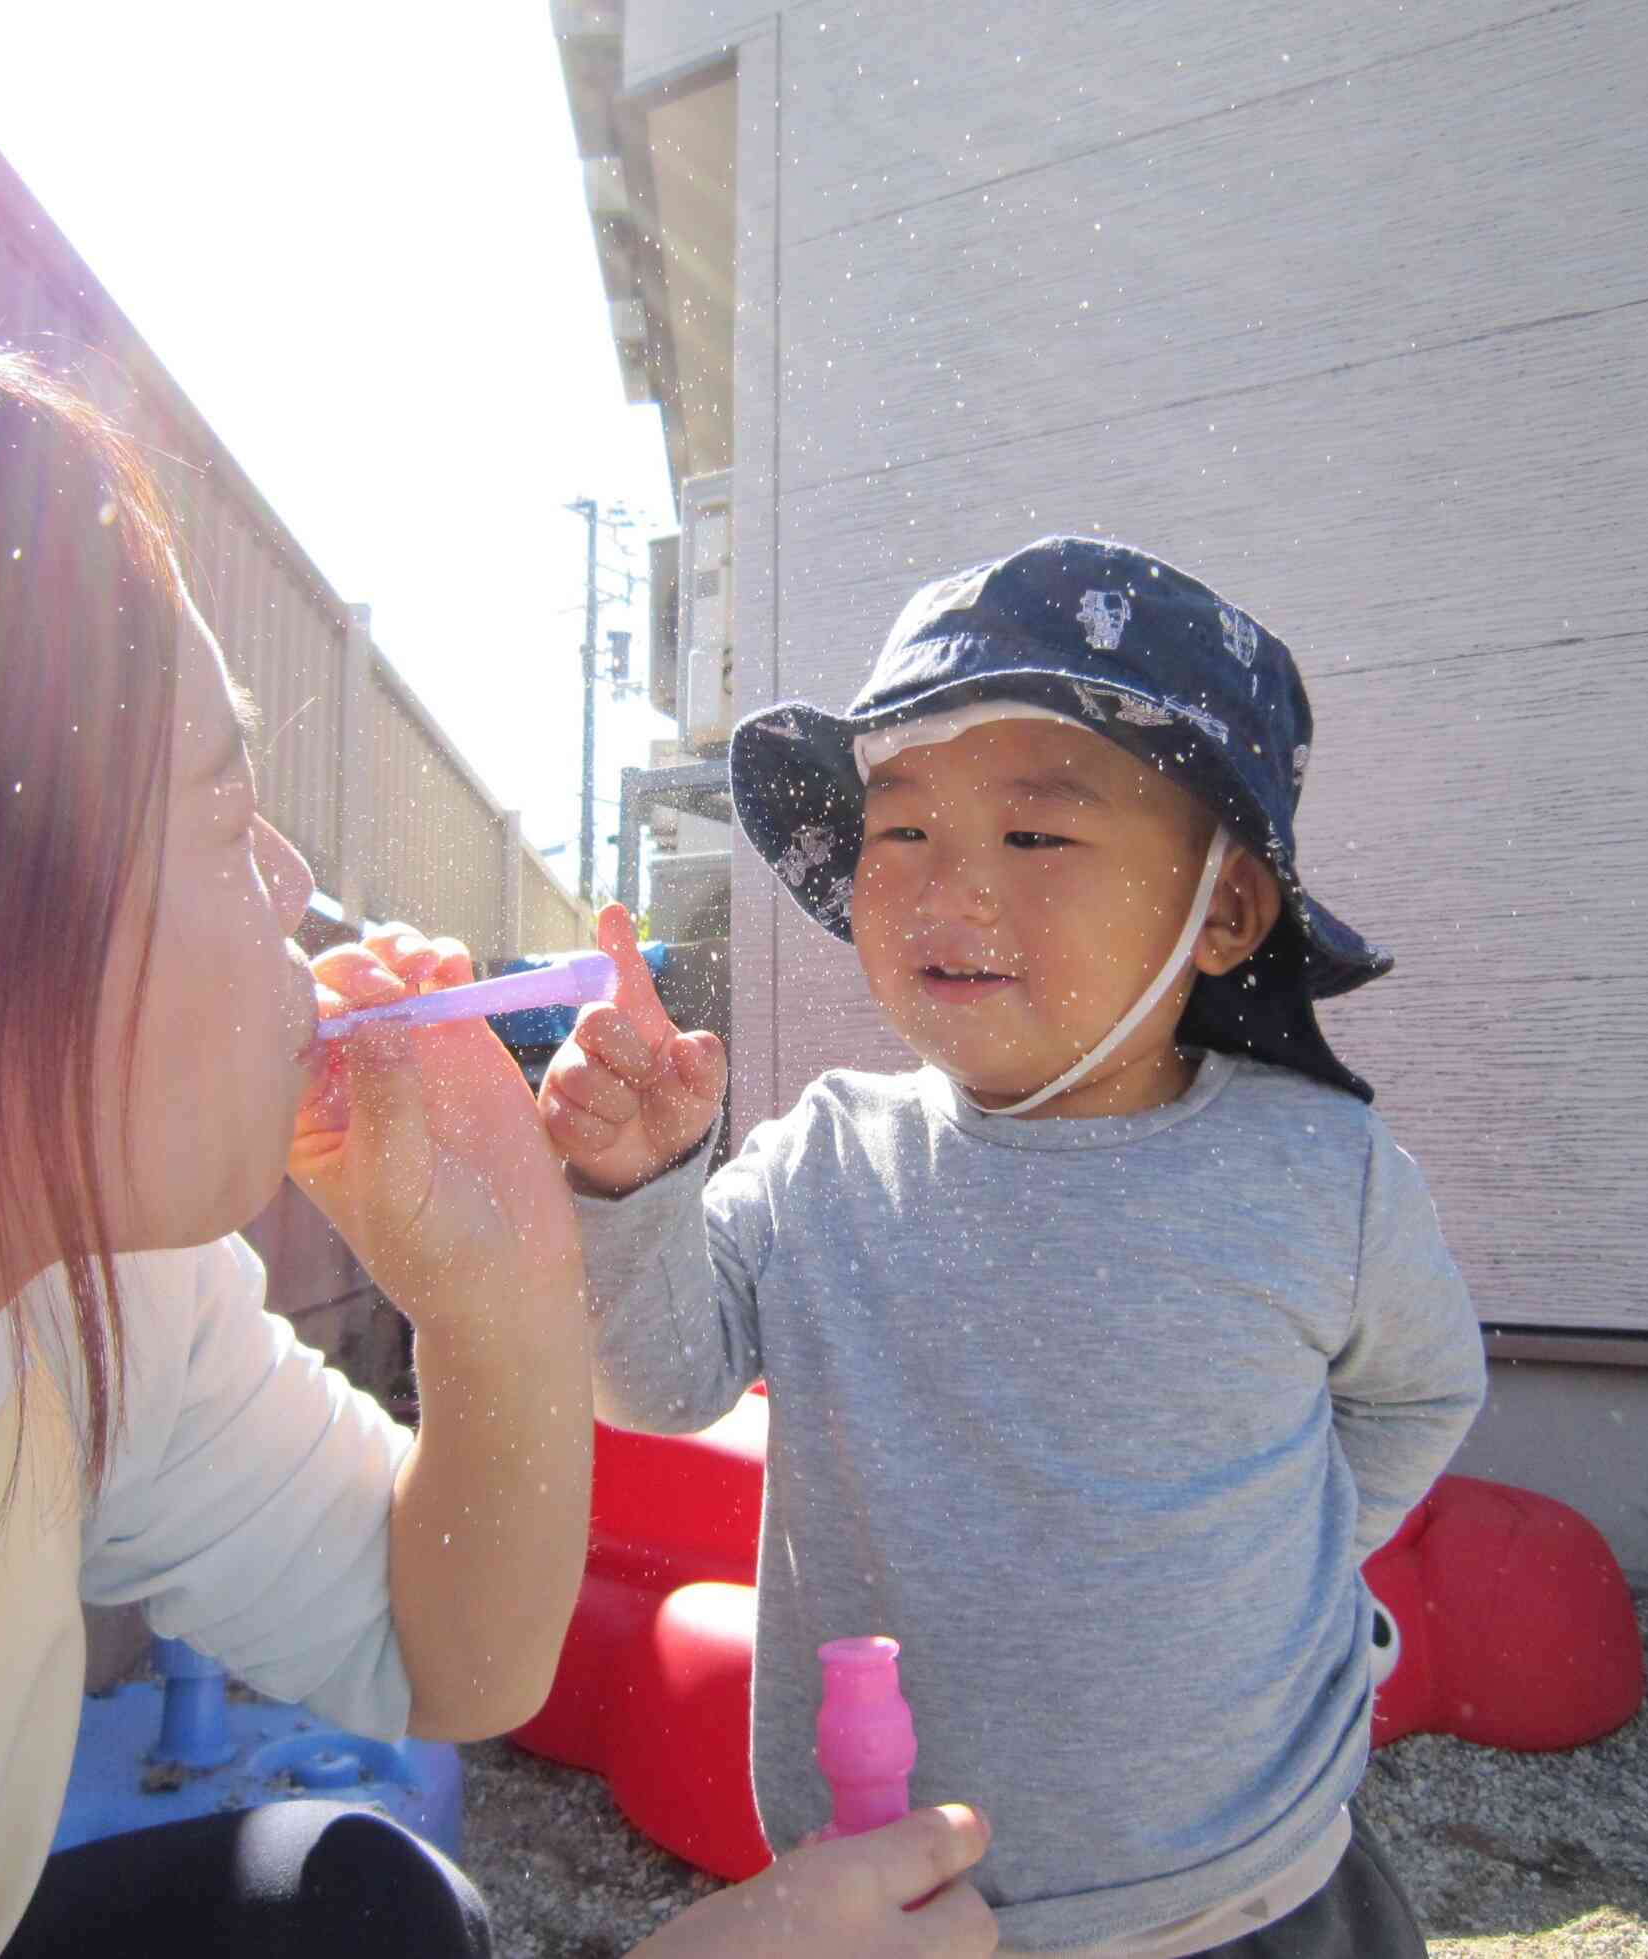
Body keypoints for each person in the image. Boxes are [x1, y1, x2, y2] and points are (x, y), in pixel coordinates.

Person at [0, 237, 996, 1959]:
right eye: (217, 820)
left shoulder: (58, 1291)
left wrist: (491, 1291)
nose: (296, 886)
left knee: (351, 1906)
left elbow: (447, 1656)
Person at [541, 537, 1490, 1957]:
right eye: (903, 830)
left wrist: (1284, 1564)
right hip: (896, 1904)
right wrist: (637, 1183)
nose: (946, 890)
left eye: (1035, 835)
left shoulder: (1313, 1176)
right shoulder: (825, 1164)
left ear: (1222, 911)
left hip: (1262, 1892)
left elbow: (1421, 1390)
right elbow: (657, 1384)